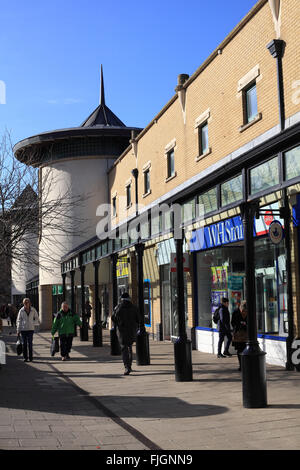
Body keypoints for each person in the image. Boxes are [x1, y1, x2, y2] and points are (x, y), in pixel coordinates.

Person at [112, 292, 140, 375]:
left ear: (122, 299)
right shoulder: (134, 307)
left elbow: (113, 318)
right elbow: (139, 319)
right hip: (131, 330)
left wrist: (119, 324)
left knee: (124, 348)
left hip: (122, 331)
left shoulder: (118, 307)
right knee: (129, 347)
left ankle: (127, 367)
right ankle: (129, 365)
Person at [16, 298, 40, 362]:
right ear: (23, 303)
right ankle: (25, 357)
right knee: (24, 344)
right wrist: (18, 330)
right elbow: (19, 320)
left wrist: (33, 323)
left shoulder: (33, 310)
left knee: (30, 344)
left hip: (30, 330)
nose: (26, 304)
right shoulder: (21, 310)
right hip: (23, 330)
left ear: (30, 303)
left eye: (27, 302)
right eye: (25, 303)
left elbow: (37, 318)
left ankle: (31, 357)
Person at [231, 300, 248, 371]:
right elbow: (232, 322)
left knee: (246, 350)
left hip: (246, 334)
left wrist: (245, 325)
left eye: (245, 310)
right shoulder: (235, 312)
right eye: (243, 310)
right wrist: (239, 325)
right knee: (239, 350)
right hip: (238, 334)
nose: (244, 312)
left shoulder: (249, 312)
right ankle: (241, 365)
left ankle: (245, 365)